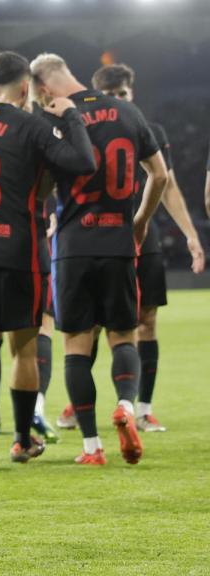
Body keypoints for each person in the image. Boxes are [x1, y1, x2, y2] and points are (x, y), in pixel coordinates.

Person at [0, 51, 96, 470]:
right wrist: (69, 117)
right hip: (21, 252)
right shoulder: (33, 125)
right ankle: (20, 440)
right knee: (24, 351)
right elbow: (83, 163)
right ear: (25, 88)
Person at [30, 53, 169, 465]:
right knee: (124, 336)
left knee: (76, 346)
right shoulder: (128, 111)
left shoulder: (55, 120)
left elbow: (42, 187)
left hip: (73, 246)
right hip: (119, 242)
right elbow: (159, 175)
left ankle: (92, 446)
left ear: (43, 87)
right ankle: (127, 407)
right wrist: (140, 221)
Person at [63, 64, 205, 433]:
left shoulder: (147, 129)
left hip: (139, 234)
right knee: (89, 326)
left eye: (123, 95)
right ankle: (79, 403)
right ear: (98, 94)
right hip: (95, 235)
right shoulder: (78, 127)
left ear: (132, 94)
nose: (119, 101)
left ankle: (142, 407)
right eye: (112, 95)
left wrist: (189, 233)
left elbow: (167, 185)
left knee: (146, 320)